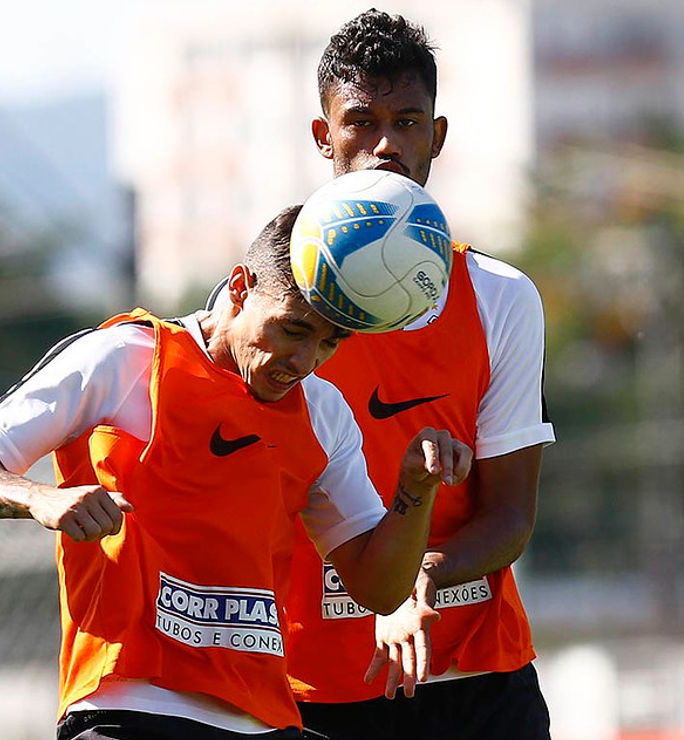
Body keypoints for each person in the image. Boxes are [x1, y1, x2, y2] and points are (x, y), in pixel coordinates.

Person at [0, 205, 473, 740]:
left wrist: (413, 491)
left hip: (262, 717)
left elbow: (379, 587)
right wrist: (37, 497)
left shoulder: (322, 411)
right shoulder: (125, 358)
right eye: (292, 330)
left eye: (329, 343)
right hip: (128, 707)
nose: (304, 361)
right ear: (239, 287)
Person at [286, 10, 556, 740]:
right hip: (319, 688)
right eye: (360, 122)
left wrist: (418, 579)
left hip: (475, 677)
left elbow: (509, 515)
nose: (384, 145)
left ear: (436, 137)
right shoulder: (269, 308)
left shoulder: (499, 296)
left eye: (407, 122)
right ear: (323, 136)